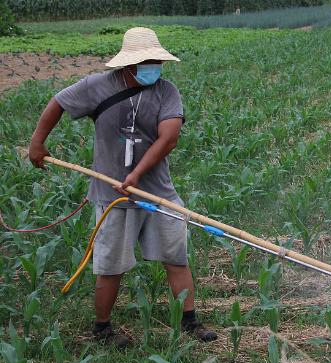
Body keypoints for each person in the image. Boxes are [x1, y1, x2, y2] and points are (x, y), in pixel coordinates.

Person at [28, 27, 217, 346]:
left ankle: (190, 321)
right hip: (112, 195)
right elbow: (58, 102)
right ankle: (102, 329)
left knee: (176, 256)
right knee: (111, 266)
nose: (154, 66)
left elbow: (168, 138)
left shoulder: (166, 91)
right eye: (148, 60)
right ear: (129, 64)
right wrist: (37, 143)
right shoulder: (96, 87)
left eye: (157, 60)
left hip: (158, 191)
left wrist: (136, 174)